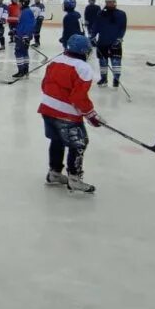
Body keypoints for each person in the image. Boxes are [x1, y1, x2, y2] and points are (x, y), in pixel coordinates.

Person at [37, 34, 103, 193]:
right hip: (66, 115)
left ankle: (54, 173)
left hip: (47, 109)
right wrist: (91, 114)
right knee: (79, 143)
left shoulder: (55, 61)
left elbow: (44, 85)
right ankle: (74, 179)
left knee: (57, 140)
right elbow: (78, 97)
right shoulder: (83, 68)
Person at [91, 0, 127, 87]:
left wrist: (119, 38)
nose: (111, 3)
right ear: (106, 3)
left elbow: (122, 28)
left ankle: (116, 79)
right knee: (103, 62)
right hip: (102, 42)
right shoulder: (101, 13)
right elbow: (96, 25)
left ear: (115, 3)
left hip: (115, 42)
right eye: (109, 2)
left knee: (116, 62)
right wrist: (93, 36)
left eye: (113, 1)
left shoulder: (121, 14)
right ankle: (104, 79)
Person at [11, 0, 36, 78]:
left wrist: (26, 36)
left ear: (23, 3)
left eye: (20, 2)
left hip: (22, 36)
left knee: (18, 52)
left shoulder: (26, 12)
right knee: (24, 52)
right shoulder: (24, 11)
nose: (18, 4)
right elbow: (21, 24)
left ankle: (21, 71)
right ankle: (25, 70)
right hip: (22, 35)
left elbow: (28, 25)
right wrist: (15, 30)